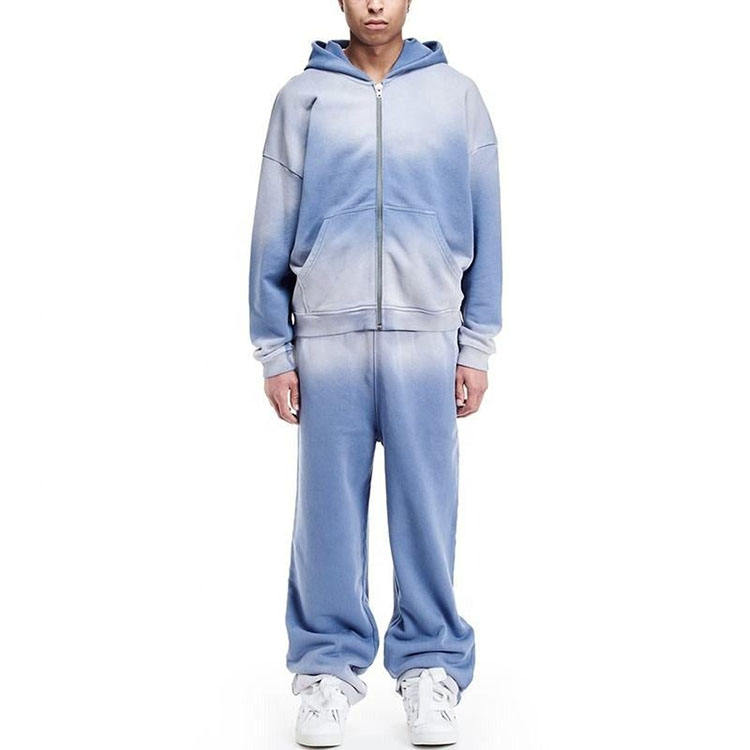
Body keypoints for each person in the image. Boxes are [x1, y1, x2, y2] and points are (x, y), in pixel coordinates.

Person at [248, 1, 502, 745]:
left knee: (427, 512)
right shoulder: (302, 98)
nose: (374, 4)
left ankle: (431, 667)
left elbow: (488, 222)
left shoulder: (457, 97)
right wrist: (275, 349)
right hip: (327, 342)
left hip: (428, 338)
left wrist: (475, 344)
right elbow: (271, 225)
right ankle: (326, 670)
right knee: (325, 516)